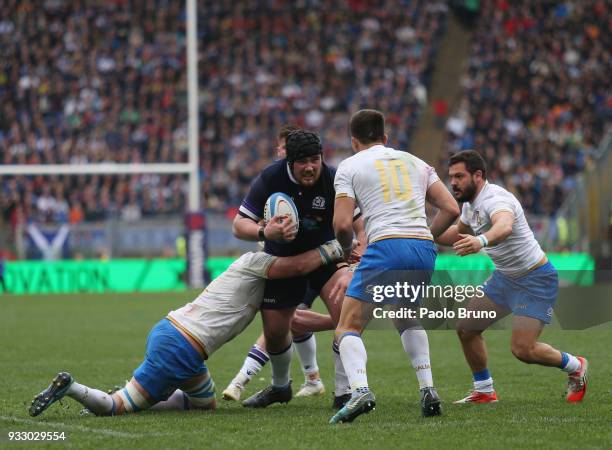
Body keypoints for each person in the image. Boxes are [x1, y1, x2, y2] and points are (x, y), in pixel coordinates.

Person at [28, 237, 344, 417]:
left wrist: (334, 321)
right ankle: (73, 388)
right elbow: (300, 265)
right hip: (181, 346)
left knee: (203, 405)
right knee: (117, 407)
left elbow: (293, 319)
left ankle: (140, 391)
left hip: (175, 336)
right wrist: (333, 248)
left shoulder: (262, 277)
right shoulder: (259, 264)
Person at [330, 109, 460, 424]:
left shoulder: (349, 166)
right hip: (422, 249)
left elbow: (342, 223)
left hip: (385, 246)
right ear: (386, 138)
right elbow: (452, 208)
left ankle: (360, 389)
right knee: (406, 317)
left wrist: (348, 251)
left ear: (354, 141)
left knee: (346, 328)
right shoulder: (417, 162)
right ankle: (428, 389)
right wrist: (427, 236)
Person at [436, 150, 588, 404]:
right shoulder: (470, 205)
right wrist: (421, 232)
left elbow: (504, 226)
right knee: (466, 329)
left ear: (478, 175)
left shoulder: (496, 199)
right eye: (451, 177)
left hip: (535, 279)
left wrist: (480, 240)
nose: (453, 182)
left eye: (459, 176)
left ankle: (576, 366)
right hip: (505, 278)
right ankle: (484, 391)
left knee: (523, 350)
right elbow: (455, 235)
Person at [232, 129, 365, 408]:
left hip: (327, 257)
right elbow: (239, 226)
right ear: (289, 162)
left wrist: (357, 257)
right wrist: (264, 231)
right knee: (276, 330)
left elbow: (359, 226)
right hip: (283, 261)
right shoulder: (271, 177)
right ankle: (281, 388)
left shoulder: (333, 178)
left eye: (315, 159)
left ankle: (343, 392)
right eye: (303, 161)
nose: (310, 167)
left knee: (344, 307)